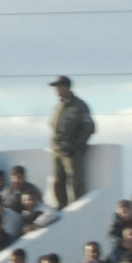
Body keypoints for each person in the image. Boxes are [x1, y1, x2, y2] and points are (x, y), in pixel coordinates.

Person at [48, 77, 95, 208]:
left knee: (75, 182)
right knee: (58, 181)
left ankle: (78, 208)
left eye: (59, 87)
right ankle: (62, 206)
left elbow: (89, 128)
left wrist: (76, 145)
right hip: (58, 151)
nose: (57, 90)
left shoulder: (80, 106)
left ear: (67, 87)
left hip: (73, 152)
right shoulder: (58, 107)